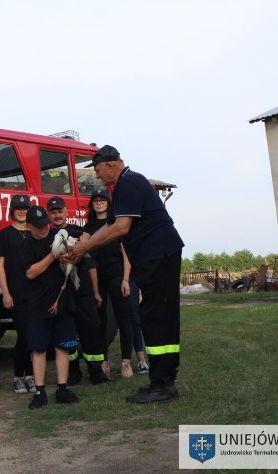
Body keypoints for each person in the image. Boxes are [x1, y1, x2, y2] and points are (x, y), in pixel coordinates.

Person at [69, 145, 184, 404]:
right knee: (153, 315)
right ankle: (161, 380)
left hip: (158, 255)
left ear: (111, 165)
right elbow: (110, 224)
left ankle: (164, 383)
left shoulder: (131, 182)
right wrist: (81, 246)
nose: (98, 177)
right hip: (152, 257)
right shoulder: (122, 187)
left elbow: (120, 228)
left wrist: (85, 246)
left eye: (98, 171)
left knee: (158, 316)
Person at [46, 197, 110, 386]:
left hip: (83, 290)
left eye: (60, 211)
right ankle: (73, 371)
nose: (57, 215)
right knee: (67, 332)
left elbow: (88, 249)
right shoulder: (47, 235)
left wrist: (96, 292)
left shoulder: (76, 230)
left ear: (66, 212)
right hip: (62, 291)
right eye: (53, 212)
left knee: (91, 329)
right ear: (49, 214)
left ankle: (96, 371)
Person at [21, 205, 79, 409]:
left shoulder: (57, 234)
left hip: (62, 300)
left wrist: (69, 256)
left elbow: (80, 243)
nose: (44, 228)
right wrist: (53, 256)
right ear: (28, 227)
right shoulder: (26, 245)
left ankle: (62, 388)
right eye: (38, 226)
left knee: (62, 346)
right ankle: (39, 391)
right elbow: (30, 273)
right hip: (38, 304)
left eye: (45, 224)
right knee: (38, 349)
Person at [82, 188, 143, 379]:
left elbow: (127, 253)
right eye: (95, 200)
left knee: (124, 319)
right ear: (92, 204)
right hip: (98, 278)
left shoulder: (116, 225)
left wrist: (126, 279)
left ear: (108, 203)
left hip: (117, 275)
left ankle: (126, 362)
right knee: (101, 322)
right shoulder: (89, 227)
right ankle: (104, 362)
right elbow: (84, 250)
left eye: (102, 199)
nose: (99, 202)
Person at [0, 194, 36, 394]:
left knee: (33, 334)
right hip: (16, 292)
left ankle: (30, 376)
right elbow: (0, 266)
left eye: (25, 207)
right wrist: (5, 293)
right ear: (12, 210)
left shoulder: (34, 232)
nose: (22, 211)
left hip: (35, 292)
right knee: (23, 334)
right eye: (18, 208)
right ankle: (18, 376)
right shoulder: (4, 235)